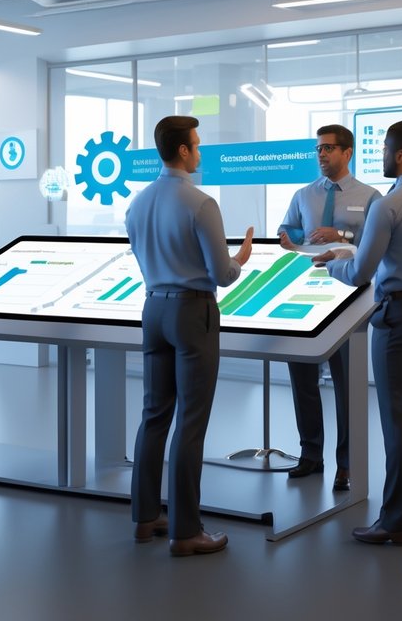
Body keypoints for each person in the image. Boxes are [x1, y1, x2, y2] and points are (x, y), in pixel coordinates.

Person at [316, 120, 402, 545]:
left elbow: (361, 270)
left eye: (382, 149)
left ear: (399, 155)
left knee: (395, 416)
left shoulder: (390, 204)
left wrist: (331, 263)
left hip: (400, 314)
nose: (378, 156)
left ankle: (394, 518)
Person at [127, 116, 252, 557]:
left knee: (153, 414)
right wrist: (241, 257)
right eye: (196, 145)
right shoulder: (201, 203)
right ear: (182, 151)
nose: (200, 152)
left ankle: (145, 519)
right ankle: (186, 530)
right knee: (191, 421)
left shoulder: (137, 203)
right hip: (191, 311)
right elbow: (222, 274)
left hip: (153, 308)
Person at [277, 124, 380, 491]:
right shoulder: (304, 195)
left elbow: (376, 243)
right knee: (302, 382)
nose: (322, 154)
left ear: (347, 153)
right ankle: (310, 455)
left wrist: (343, 236)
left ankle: (347, 463)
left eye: (329, 149)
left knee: (346, 386)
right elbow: (287, 232)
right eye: (318, 149)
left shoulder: (370, 196)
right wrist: (291, 240)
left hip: (349, 301)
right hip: (307, 299)